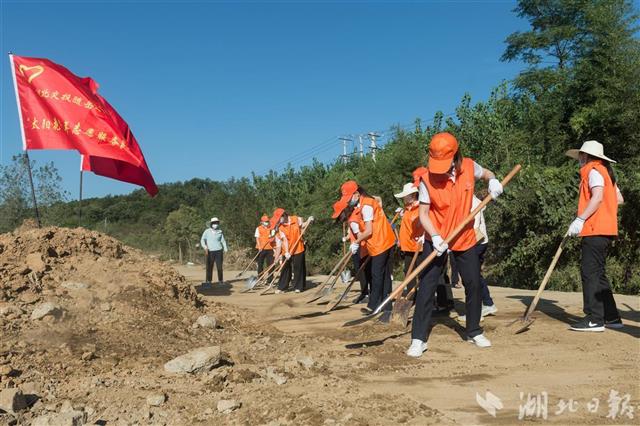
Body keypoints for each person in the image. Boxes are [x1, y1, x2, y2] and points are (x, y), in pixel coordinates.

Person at [408, 132, 503, 357]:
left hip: (464, 237)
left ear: (455, 156)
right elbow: (423, 214)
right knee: (427, 288)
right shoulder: (426, 179)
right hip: (437, 238)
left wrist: (493, 180)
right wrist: (436, 236)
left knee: (473, 284)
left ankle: (474, 331)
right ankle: (418, 338)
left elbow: (487, 173)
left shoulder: (470, 167)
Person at [565, 140, 624, 331]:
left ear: (586, 156)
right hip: (606, 229)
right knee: (598, 274)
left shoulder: (593, 171)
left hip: (595, 228)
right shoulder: (607, 173)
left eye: (581, 156)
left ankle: (594, 318)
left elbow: (597, 197)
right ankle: (612, 317)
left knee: (589, 273)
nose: (579, 159)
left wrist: (580, 219)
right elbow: (619, 200)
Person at [332, 181, 396, 323]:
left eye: (349, 199)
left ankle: (373, 305)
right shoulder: (361, 206)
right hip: (379, 243)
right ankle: (386, 308)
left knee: (377, 274)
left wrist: (355, 242)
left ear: (356, 193)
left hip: (382, 242)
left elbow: (368, 230)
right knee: (383, 276)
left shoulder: (367, 204)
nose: (349, 202)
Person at [458, 194, 498, 322]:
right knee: (475, 275)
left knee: (470, 277)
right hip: (474, 242)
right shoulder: (465, 199)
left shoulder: (472, 201)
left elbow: (473, 227)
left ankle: (476, 312)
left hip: (475, 243)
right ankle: (488, 303)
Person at [335, 204, 372, 304]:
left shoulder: (354, 219)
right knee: (361, 271)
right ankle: (365, 293)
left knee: (363, 271)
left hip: (362, 247)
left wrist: (356, 243)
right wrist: (348, 239)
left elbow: (361, 235)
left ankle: (367, 294)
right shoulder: (351, 220)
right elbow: (352, 234)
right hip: (358, 246)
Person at [271, 208, 313, 293]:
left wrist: (309, 221)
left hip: (298, 247)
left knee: (298, 267)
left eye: (279, 218)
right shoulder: (280, 227)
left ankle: (299, 287)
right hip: (286, 250)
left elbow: (303, 226)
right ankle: (282, 287)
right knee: (285, 267)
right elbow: (284, 240)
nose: (278, 221)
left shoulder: (296, 219)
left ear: (284, 215)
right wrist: (286, 252)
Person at [394, 182, 424, 296]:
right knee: (408, 271)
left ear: (413, 195)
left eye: (405, 196)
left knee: (421, 272)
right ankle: (411, 296)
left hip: (418, 246)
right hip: (407, 246)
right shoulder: (407, 209)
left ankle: (423, 296)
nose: (403, 199)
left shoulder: (421, 207)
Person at [200, 217, 228, 287]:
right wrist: (205, 247)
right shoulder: (207, 231)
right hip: (210, 251)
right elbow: (202, 240)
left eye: (216, 223)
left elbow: (223, 241)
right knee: (209, 267)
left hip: (219, 251)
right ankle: (209, 281)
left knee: (219, 267)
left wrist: (225, 248)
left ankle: (221, 281)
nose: (215, 224)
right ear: (211, 224)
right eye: (214, 223)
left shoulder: (220, 232)